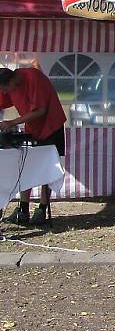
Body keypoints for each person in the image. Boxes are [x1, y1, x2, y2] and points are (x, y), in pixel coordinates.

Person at [0, 66, 67, 226]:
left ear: (11, 81)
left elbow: (40, 111)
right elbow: (2, 102)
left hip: (51, 126)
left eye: (4, 88)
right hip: (33, 128)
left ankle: (42, 209)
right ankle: (23, 209)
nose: (4, 92)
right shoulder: (9, 87)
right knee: (25, 165)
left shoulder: (33, 77)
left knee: (47, 166)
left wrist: (12, 122)